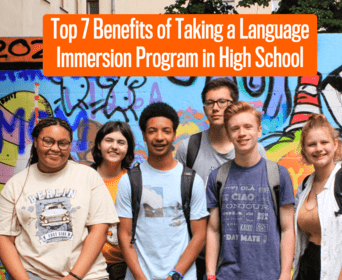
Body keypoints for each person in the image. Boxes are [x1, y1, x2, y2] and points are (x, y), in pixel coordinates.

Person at [0, 117, 119, 280]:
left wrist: (74, 276)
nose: (55, 148)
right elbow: (4, 238)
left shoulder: (88, 176)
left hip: (87, 275)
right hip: (33, 274)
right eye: (48, 141)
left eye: (63, 143)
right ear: (35, 141)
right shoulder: (15, 185)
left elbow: (99, 229)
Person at [175, 78, 268, 280]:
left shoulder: (254, 149)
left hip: (241, 256)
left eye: (222, 102)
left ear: (233, 105)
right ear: (204, 107)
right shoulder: (188, 147)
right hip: (198, 255)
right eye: (210, 103)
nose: (216, 108)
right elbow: (178, 201)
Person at [116, 102, 209, 280]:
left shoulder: (190, 180)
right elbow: (124, 235)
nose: (159, 137)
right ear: (144, 135)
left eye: (166, 131)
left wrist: (175, 275)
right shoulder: (130, 181)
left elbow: (199, 236)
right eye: (152, 131)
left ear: (174, 134)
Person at [206, 101, 295, 280]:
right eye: (235, 128)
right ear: (229, 135)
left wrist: (285, 274)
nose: (242, 133)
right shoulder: (218, 177)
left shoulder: (278, 174)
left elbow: (287, 229)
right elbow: (213, 230)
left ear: (259, 130)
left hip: (269, 276)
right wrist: (210, 274)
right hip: (227, 276)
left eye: (248, 126)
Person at [293, 114, 342, 280]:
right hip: (307, 270)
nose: (318, 148)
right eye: (311, 144)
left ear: (335, 144)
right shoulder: (304, 186)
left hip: (337, 272)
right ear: (305, 150)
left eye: (324, 142)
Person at [91, 121, 135, 280]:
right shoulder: (84, 178)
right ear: (98, 144)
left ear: (128, 148)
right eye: (109, 140)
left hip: (123, 264)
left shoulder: (134, 181)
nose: (114, 146)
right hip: (89, 263)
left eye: (121, 142)